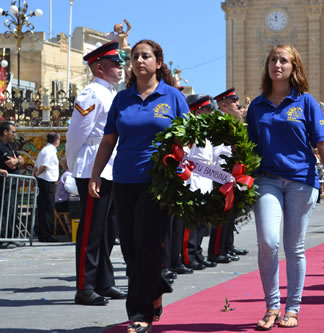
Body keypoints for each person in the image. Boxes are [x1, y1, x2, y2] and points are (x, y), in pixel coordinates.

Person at [89, 39, 189, 333]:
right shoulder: (122, 99)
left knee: (147, 243)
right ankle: (155, 288)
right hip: (123, 180)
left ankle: (140, 312)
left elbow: (190, 136)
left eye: (146, 56)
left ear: (158, 62)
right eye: (135, 56)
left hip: (157, 182)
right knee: (130, 247)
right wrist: (96, 174)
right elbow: (109, 140)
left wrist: (180, 164)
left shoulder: (171, 97)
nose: (140, 60)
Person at [246, 44, 324, 329]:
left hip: (301, 180)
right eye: (273, 60)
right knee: (268, 242)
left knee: (293, 247)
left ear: (294, 67)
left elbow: (323, 142)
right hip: (266, 179)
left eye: (284, 60)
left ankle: (292, 309)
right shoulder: (257, 106)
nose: (277, 65)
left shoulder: (306, 102)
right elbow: (248, 148)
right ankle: (272, 306)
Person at [66, 41, 125, 306]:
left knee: (106, 229)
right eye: (115, 63)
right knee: (90, 231)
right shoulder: (92, 93)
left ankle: (104, 281)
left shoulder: (111, 94)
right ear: (100, 68)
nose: (121, 67)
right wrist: (74, 166)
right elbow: (77, 134)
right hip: (92, 167)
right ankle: (84, 286)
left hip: (110, 168)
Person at [207, 88, 248, 264]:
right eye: (233, 101)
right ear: (223, 105)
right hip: (219, 173)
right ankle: (217, 251)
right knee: (221, 215)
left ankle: (226, 247)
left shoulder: (231, 122)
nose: (237, 104)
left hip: (231, 172)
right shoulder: (218, 122)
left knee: (229, 214)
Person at [180, 94, 217, 270]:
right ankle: (188, 255)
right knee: (191, 223)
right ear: (197, 110)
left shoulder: (206, 130)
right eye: (206, 110)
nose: (210, 113)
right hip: (194, 178)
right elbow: (185, 154)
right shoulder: (191, 130)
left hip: (206, 179)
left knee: (202, 222)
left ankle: (197, 253)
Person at [0, 122, 25, 249]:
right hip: (3, 184)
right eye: (13, 132)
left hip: (12, 183)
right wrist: (15, 161)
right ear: (5, 132)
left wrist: (17, 160)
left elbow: (21, 161)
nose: (14, 134)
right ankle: (2, 237)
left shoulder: (11, 145)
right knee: (4, 210)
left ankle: (12, 236)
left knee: (12, 209)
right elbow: (10, 164)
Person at [33, 132, 60, 242]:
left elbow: (36, 166)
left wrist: (35, 176)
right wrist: (38, 176)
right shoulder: (50, 151)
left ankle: (43, 233)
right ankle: (46, 234)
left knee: (44, 208)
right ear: (57, 140)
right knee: (47, 209)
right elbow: (44, 166)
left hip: (44, 181)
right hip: (46, 181)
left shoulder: (44, 150)